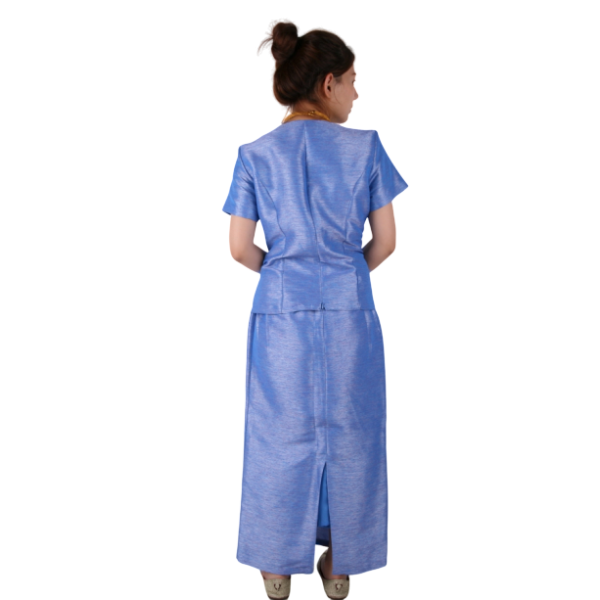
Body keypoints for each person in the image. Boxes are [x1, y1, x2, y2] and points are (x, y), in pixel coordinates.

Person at [222, 17, 409, 600]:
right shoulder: (366, 148)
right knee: (352, 428)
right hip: (350, 306)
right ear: (328, 84)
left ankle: (276, 568)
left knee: (278, 430)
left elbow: (239, 248)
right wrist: (344, 273)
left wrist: (284, 272)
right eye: (353, 81)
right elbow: (386, 243)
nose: (358, 93)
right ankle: (341, 567)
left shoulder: (253, 153)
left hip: (279, 309)